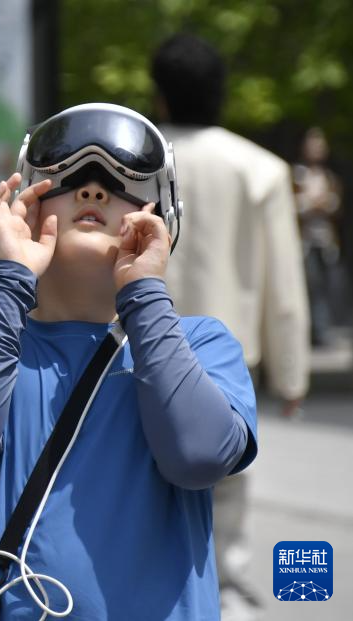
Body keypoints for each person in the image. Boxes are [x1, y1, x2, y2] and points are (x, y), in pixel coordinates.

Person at [0, 103, 257, 619]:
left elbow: (199, 456)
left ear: (164, 214)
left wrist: (144, 293)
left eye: (122, 183)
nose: (93, 191)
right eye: (69, 177)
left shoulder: (203, 344)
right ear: (27, 204)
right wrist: (9, 278)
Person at [151, 33, 310, 620]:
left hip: (136, 347)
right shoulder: (260, 168)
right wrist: (291, 375)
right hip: (227, 359)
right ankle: (223, 591)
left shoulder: (137, 161)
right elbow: (284, 285)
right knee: (228, 480)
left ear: (160, 94)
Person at [293, 127, 345, 346]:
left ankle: (322, 329)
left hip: (326, 241)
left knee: (326, 285)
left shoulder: (329, 177)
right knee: (310, 285)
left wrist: (324, 204)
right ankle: (313, 331)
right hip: (305, 241)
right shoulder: (297, 175)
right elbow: (293, 206)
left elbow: (336, 205)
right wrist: (313, 203)